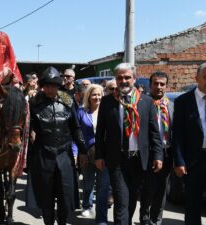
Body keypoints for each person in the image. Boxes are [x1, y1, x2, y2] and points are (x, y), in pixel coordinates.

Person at [95, 63, 163, 225]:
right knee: (121, 200)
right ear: (116, 80)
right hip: (117, 160)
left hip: (140, 160)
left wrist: (158, 155)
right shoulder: (107, 102)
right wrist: (99, 155)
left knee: (132, 198)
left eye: (127, 77)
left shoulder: (146, 102)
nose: (123, 81)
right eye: (120, 78)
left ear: (134, 78)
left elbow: (154, 133)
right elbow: (100, 132)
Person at [29, 66, 86, 225]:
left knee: (65, 196)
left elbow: (76, 128)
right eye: (47, 85)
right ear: (42, 86)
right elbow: (27, 131)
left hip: (64, 155)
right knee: (46, 198)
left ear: (58, 85)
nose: (50, 89)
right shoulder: (34, 103)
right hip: (43, 155)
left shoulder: (68, 101)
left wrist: (83, 151)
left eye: (53, 85)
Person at [173, 62, 206, 225]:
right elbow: (178, 134)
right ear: (197, 79)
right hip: (194, 161)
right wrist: (179, 161)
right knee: (193, 203)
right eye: (205, 77)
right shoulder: (183, 101)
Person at [140, 71, 174, 225]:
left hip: (167, 153)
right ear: (150, 84)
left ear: (166, 86)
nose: (159, 87)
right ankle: (144, 218)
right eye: (156, 83)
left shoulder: (172, 106)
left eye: (162, 84)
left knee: (161, 190)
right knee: (148, 188)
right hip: (149, 153)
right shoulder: (143, 103)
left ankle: (155, 220)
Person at [76, 84, 111, 224]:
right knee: (88, 182)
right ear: (88, 96)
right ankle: (87, 205)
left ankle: (101, 217)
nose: (97, 97)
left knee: (103, 186)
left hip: (104, 153)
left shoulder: (107, 110)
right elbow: (76, 133)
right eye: (94, 94)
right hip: (86, 153)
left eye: (99, 94)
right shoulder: (81, 112)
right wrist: (78, 152)